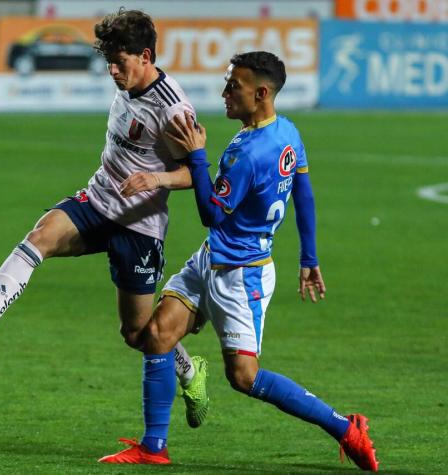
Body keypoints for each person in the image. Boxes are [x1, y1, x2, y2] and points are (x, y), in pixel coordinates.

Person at [99, 51, 379, 472]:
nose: (225, 92)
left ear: (261, 93)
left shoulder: (247, 153)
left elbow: (211, 213)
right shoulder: (287, 133)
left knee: (244, 377)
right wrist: (309, 256)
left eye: (235, 86)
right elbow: (303, 192)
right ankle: (153, 446)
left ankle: (345, 427)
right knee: (157, 334)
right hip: (212, 257)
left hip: (240, 276)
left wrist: (196, 156)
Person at [0, 9, 210, 428]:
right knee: (40, 236)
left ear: (144, 56)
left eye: (118, 62)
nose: (111, 70)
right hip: (97, 199)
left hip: (139, 226)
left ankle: (191, 372)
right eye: (107, 60)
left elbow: (197, 174)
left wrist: (154, 178)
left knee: (138, 334)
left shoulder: (174, 109)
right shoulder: (126, 84)